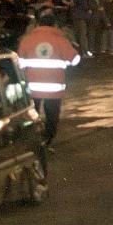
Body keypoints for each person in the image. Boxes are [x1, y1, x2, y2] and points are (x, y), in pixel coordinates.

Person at [17, 9, 80, 146]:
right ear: (54, 25)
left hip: (33, 86)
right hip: (54, 86)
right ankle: (48, 139)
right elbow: (75, 59)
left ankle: (33, 140)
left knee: (32, 113)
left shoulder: (28, 39)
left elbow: (20, 63)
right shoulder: (60, 39)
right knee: (52, 114)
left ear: (38, 24)